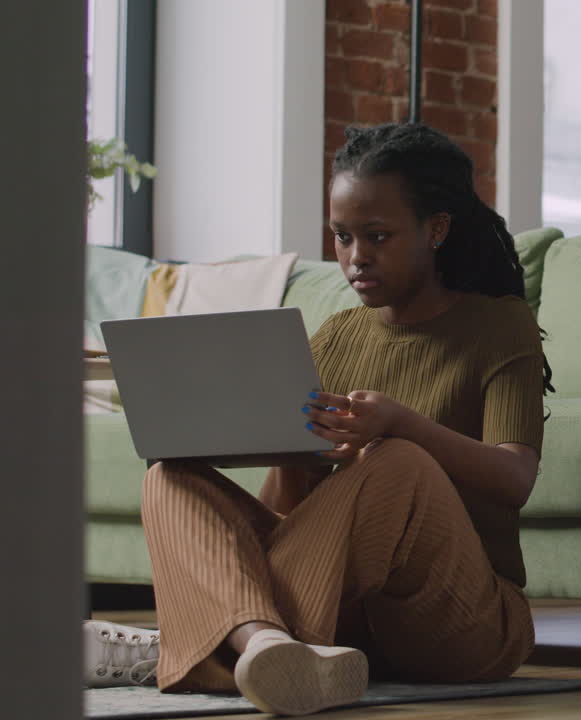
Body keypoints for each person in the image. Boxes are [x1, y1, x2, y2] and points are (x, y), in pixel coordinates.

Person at [82, 122, 553, 715]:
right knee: (169, 476)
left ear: (436, 229)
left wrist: (398, 423)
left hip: (464, 623)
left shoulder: (499, 325)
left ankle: (193, 648)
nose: (356, 258)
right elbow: (288, 516)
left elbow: (516, 479)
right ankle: (264, 645)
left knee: (397, 460)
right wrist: (288, 449)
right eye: (341, 236)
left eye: (377, 236)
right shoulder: (335, 336)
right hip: (344, 620)